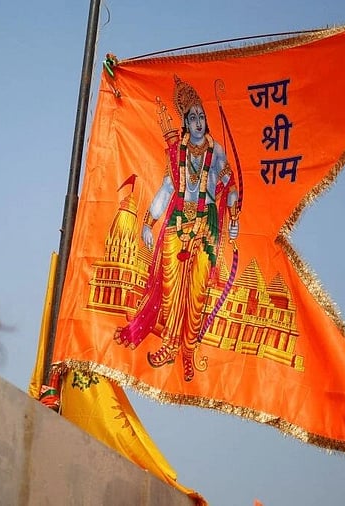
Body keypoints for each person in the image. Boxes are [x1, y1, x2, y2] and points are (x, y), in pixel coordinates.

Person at [115, 75, 239, 382]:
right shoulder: (176, 153)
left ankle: (188, 350)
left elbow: (229, 186)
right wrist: (148, 222)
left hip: (206, 227)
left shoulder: (217, 152)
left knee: (197, 294)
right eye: (192, 117)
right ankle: (169, 344)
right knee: (171, 291)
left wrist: (234, 215)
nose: (198, 122)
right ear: (184, 121)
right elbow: (167, 189)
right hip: (177, 224)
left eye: (201, 116)